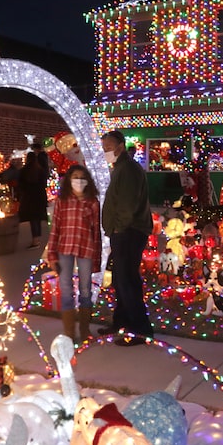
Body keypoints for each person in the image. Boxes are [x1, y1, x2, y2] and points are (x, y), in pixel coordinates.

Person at [101, 129, 154, 346]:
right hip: (122, 231)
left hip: (129, 231)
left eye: (109, 148)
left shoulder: (128, 169)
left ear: (120, 146)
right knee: (120, 279)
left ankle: (139, 330)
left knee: (127, 280)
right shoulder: (120, 168)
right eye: (104, 149)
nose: (106, 152)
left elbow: (127, 205)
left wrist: (119, 228)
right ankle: (121, 321)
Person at [46, 164, 102, 344]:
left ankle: (84, 330)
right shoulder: (62, 201)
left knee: (85, 289)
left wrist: (97, 258)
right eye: (75, 176)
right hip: (65, 249)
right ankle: (69, 333)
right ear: (69, 180)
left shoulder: (92, 202)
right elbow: (55, 228)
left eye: (82, 177)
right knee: (66, 289)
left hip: (86, 248)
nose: (78, 180)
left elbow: (96, 233)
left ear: (87, 180)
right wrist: (52, 255)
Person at [18, 150, 49, 247]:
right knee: (38, 218)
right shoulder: (40, 170)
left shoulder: (24, 171)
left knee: (33, 219)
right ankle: (38, 238)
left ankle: (35, 240)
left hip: (29, 197)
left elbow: (21, 185)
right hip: (39, 196)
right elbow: (44, 183)